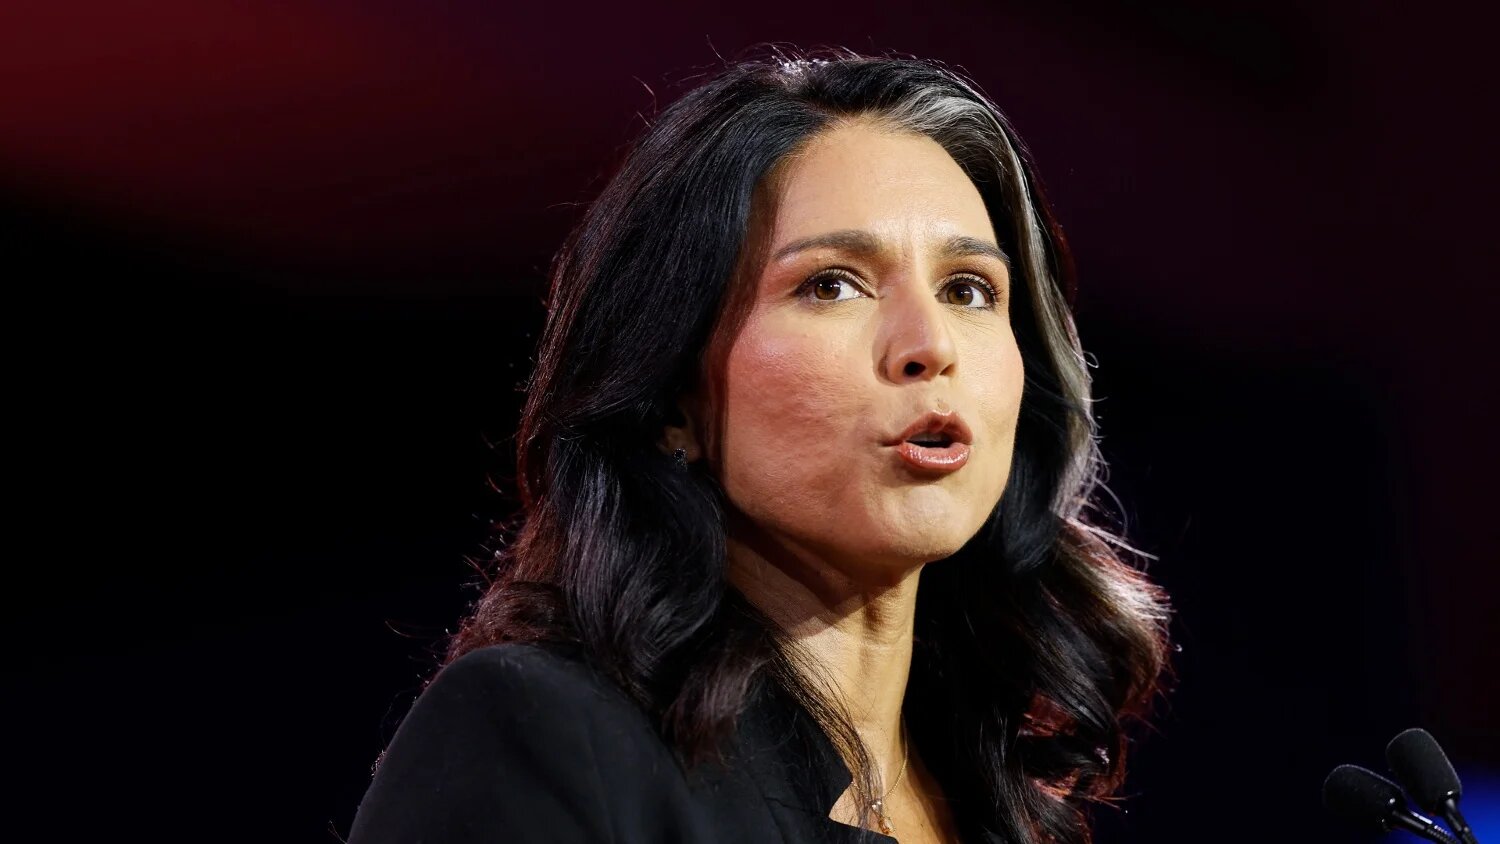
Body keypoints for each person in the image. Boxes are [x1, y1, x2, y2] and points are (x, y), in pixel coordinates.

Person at [346, 45, 1173, 844]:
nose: (929, 345)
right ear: (673, 393)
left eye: (968, 290)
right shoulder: (545, 735)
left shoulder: (1010, 806)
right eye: (831, 285)